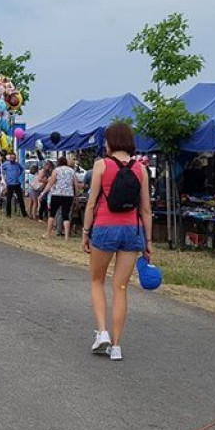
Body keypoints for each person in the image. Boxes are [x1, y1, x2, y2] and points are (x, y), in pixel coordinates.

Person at [80, 121, 152, 361]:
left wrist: (85, 232)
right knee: (120, 287)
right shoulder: (141, 169)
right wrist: (148, 241)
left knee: (96, 280)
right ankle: (117, 346)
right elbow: (146, 209)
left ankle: (102, 332)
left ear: (110, 142)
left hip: (104, 227)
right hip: (132, 230)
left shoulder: (101, 165)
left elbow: (92, 203)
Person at [43, 156, 80, 240]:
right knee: (66, 215)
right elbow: (76, 184)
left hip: (57, 194)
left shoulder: (56, 170)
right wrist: (76, 196)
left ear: (58, 162)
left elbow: (50, 183)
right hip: (68, 195)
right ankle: (66, 236)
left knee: (52, 214)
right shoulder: (72, 171)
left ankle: (48, 233)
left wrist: (43, 193)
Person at [0, 153, 27, 218]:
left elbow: (22, 169)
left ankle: (24, 214)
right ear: (9, 158)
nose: (13, 159)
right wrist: (3, 179)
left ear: (15, 158)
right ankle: (8, 214)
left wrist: (18, 175)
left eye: (14, 158)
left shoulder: (17, 164)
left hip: (17, 184)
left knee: (21, 199)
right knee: (9, 199)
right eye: (11, 158)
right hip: (10, 185)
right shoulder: (6, 164)